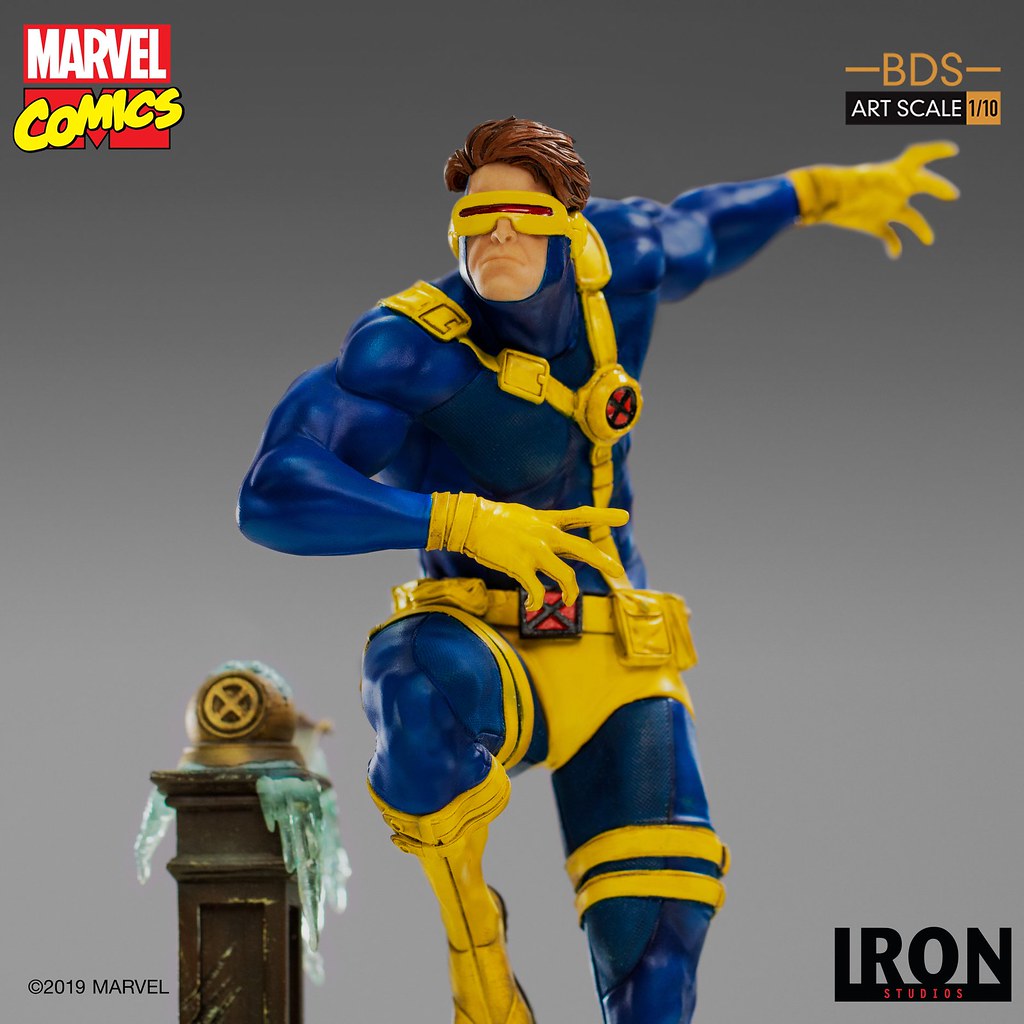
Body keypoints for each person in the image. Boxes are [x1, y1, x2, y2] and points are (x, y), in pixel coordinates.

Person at [238, 117, 957, 1024]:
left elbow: (710, 225)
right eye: (475, 219)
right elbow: (272, 490)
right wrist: (457, 518)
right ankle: (476, 945)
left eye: (522, 217)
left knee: (656, 959)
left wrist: (830, 190)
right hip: (480, 645)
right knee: (408, 676)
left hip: (615, 646)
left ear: (570, 225)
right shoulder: (409, 350)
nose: (498, 235)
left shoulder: (625, 260)